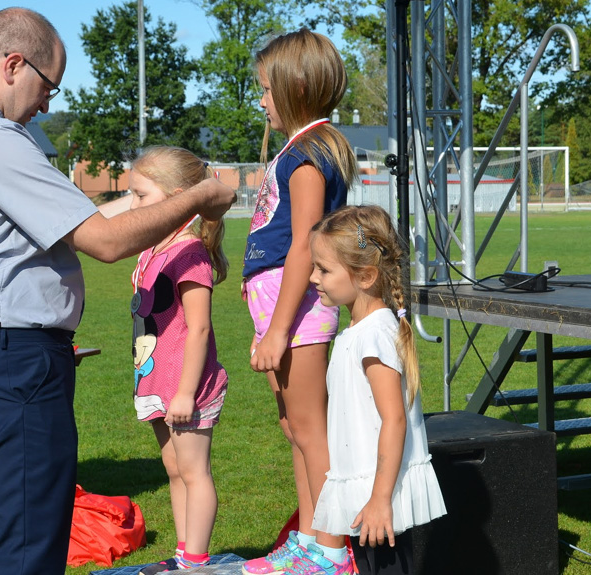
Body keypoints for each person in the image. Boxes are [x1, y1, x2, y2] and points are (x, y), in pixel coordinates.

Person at [0, 9, 235, 575]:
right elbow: (101, 241)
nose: (47, 104)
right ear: (12, 65)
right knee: (23, 546)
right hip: (12, 359)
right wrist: (198, 197)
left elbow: (65, 222)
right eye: (47, 85)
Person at [241, 29, 357, 575]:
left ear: (297, 85)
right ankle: (308, 537)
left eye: (265, 89)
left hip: (297, 308)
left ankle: (332, 550)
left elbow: (304, 245)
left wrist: (279, 330)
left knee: (312, 429)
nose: (261, 100)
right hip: (277, 306)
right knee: (294, 427)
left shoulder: (310, 153)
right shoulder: (295, 150)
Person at [308, 205, 447, 575]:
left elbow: (394, 419)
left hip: (378, 493)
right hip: (365, 488)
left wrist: (380, 498)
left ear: (366, 275)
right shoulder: (360, 331)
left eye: (323, 268)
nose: (312, 277)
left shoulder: (373, 336)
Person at [126, 147, 229, 575]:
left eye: (141, 196)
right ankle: (184, 553)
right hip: (157, 383)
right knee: (173, 470)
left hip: (187, 388)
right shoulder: (151, 250)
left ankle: (197, 563)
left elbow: (199, 329)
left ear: (179, 197)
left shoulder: (189, 253)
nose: (133, 206)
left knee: (193, 471)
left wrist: (186, 392)